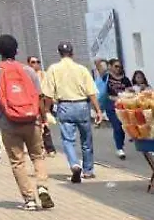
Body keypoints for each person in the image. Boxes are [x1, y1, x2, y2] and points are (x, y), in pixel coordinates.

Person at [0, 34, 52, 210]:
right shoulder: (29, 71)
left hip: (8, 122)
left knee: (17, 161)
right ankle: (42, 186)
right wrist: (43, 119)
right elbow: (39, 98)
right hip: (32, 120)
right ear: (17, 50)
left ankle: (29, 199)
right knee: (38, 156)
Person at [42, 41, 106, 183]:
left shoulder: (53, 69)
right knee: (86, 139)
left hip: (65, 105)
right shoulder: (81, 69)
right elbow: (91, 92)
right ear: (72, 53)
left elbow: (47, 94)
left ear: (59, 53)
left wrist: (46, 110)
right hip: (82, 105)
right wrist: (98, 111)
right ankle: (88, 170)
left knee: (68, 140)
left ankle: (74, 164)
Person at [26, 56, 56, 155]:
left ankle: (49, 148)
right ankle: (40, 147)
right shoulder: (27, 75)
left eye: (38, 62)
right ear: (29, 64)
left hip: (44, 101)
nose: (36, 64)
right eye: (33, 62)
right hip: (33, 102)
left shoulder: (44, 74)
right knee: (37, 125)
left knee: (45, 124)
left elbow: (51, 87)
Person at [104, 58, 131, 158]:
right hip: (111, 104)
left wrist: (126, 94)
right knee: (117, 125)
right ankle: (119, 148)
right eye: (116, 66)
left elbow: (130, 90)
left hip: (122, 104)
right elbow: (97, 63)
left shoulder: (125, 79)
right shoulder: (107, 77)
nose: (118, 69)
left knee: (122, 126)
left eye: (120, 67)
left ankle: (121, 145)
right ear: (110, 66)